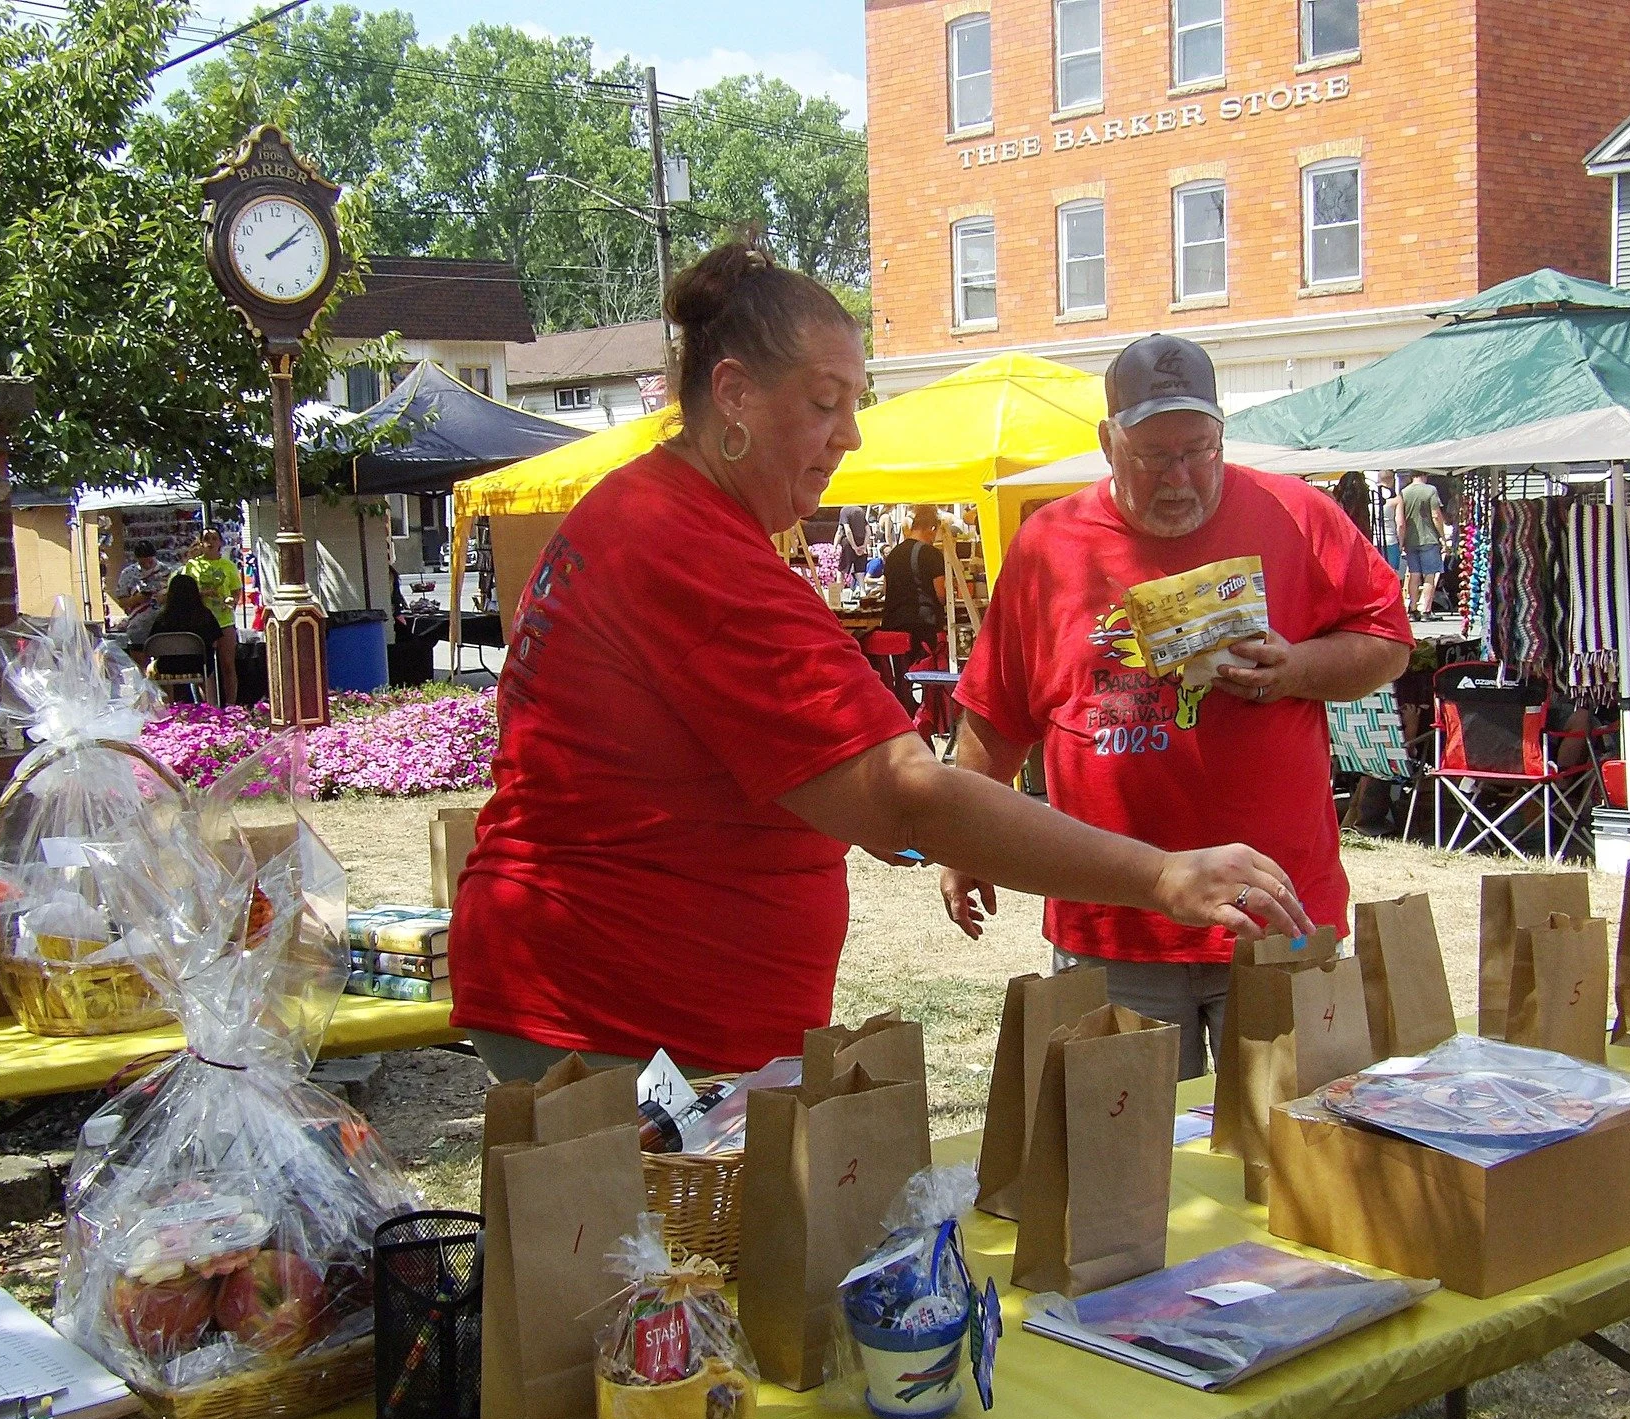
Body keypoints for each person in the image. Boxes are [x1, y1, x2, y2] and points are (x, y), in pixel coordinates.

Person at [448, 244, 1310, 1082]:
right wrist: (1161, 873)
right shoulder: (684, 549)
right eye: (826, 404)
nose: (850, 436)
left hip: (617, 1000)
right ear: (734, 393)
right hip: (622, 1015)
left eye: (854, 404)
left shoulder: (644, 512)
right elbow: (903, 797)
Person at [937, 333, 1412, 1080]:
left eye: (1199, 450)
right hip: (1111, 926)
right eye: (1154, 457)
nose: (1180, 478)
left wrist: (1296, 667)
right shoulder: (1048, 544)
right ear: (1107, 443)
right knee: (1122, 1165)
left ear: (1222, 434)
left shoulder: (1299, 515)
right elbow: (997, 714)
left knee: (1296, 1156)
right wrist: (964, 835)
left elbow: (1388, 639)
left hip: (1277, 916)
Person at [878, 506, 948, 687]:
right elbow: (942, 595)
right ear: (932, 529)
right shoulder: (931, 554)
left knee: (903, 678)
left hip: (894, 623)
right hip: (924, 625)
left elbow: (886, 589)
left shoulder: (893, 554)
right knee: (927, 676)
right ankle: (927, 710)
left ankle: (905, 708)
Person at [181, 527, 244, 705]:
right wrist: (201, 593)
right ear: (201, 543)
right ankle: (209, 706)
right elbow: (185, 591)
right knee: (204, 668)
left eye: (214, 538)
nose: (210, 542)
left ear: (220, 543)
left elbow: (236, 591)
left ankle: (231, 706)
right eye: (207, 538)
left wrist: (232, 600)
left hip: (224, 621)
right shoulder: (192, 566)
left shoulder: (228, 566)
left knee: (227, 665)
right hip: (201, 622)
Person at [1394, 471, 1447, 617]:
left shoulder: (1404, 492)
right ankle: (1426, 609)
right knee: (1430, 574)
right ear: (1425, 475)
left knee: (1414, 574)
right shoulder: (1430, 490)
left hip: (1411, 540)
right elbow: (1436, 515)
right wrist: (1442, 536)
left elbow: (1401, 520)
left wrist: (1402, 541)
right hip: (1429, 538)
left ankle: (1412, 608)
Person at [114, 540, 171, 652]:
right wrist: (137, 599)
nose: (147, 565)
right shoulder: (128, 573)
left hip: (163, 625)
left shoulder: (167, 571)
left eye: (150, 562)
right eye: (143, 563)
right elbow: (122, 601)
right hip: (138, 627)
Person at [838, 504, 870, 587]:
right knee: (860, 570)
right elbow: (868, 531)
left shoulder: (844, 510)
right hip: (861, 542)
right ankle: (862, 591)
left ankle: (838, 593)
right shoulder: (860, 510)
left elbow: (847, 530)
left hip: (848, 543)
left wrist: (854, 546)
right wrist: (864, 545)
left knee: (842, 568)